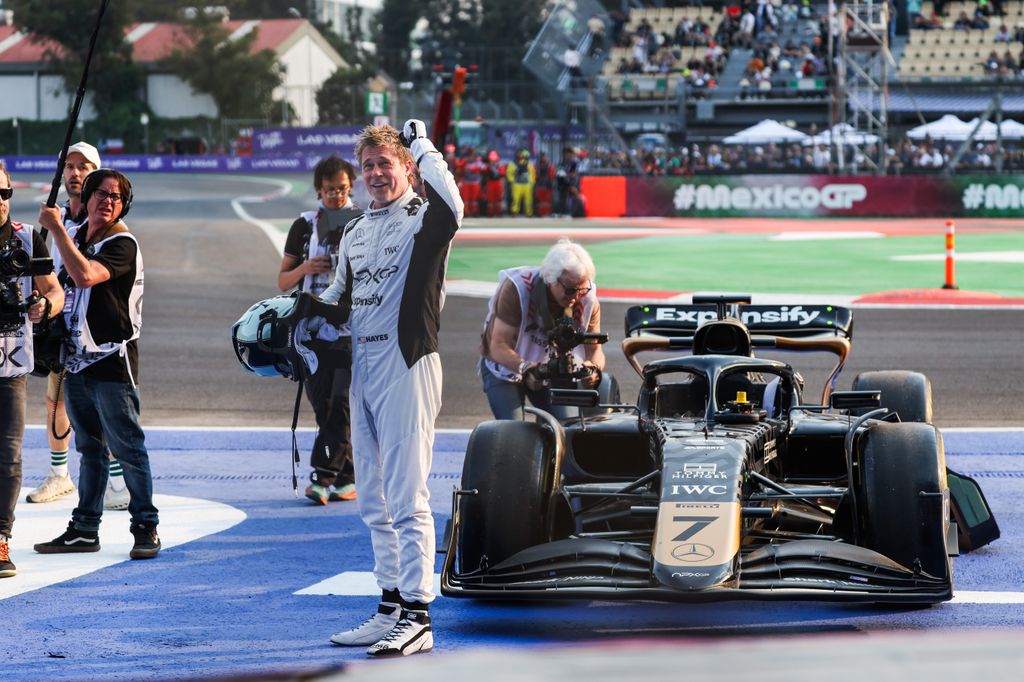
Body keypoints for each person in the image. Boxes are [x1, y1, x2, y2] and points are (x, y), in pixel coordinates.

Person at [322, 120, 462, 656]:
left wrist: (423, 145)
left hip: (409, 364)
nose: (377, 174)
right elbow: (337, 300)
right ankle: (390, 607)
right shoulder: (354, 232)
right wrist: (297, 320)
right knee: (373, 500)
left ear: (406, 168)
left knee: (408, 496)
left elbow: (453, 205)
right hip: (364, 368)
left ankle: (420, 616)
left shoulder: (425, 218)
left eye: (387, 163)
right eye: (369, 166)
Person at [33, 168, 160, 560]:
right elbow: (58, 284)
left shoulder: (122, 243)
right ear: (86, 198)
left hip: (110, 362)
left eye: (116, 197)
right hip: (76, 362)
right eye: (101, 194)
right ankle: (85, 528)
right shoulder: (75, 237)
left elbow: (85, 276)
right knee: (89, 449)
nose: (108, 201)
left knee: (128, 448)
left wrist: (56, 229)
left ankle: (145, 526)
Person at [24, 141, 130, 512]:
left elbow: (89, 273)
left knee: (105, 405)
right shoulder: (58, 217)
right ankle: (60, 474)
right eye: (68, 166)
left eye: (83, 167)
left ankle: (119, 480)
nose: (74, 173)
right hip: (60, 325)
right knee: (56, 400)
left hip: (97, 332)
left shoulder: (102, 222)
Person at [278, 156, 362, 505]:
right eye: (330, 191)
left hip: (351, 326)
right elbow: (283, 281)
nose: (337, 197)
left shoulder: (363, 222)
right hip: (311, 329)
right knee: (323, 405)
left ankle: (322, 475)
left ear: (351, 187)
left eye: (342, 189)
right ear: (318, 191)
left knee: (342, 402)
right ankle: (347, 478)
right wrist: (308, 267)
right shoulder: (304, 226)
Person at [0, 161, 65, 578]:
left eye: (4, 193)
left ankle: (0, 538)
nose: (0, 201)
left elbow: (55, 290)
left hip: (12, 365)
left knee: (8, 455)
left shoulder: (27, 238)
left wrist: (46, 306)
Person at [478, 238, 606, 421]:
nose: (576, 297)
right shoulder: (517, 289)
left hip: (550, 368)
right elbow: (497, 345)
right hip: (507, 367)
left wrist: (593, 369)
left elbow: (596, 351)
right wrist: (525, 368)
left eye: (582, 289)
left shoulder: (588, 300)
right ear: (549, 279)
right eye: (570, 290)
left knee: (567, 428)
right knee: (513, 430)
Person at [505, 149, 536, 217]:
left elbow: (532, 174)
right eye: (519, 154)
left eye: (522, 154)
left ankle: (529, 213)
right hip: (517, 184)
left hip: (527, 185)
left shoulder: (529, 164)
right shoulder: (512, 164)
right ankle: (514, 212)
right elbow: (509, 174)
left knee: (528, 200)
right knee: (515, 199)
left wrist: (531, 182)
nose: (521, 155)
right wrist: (513, 181)